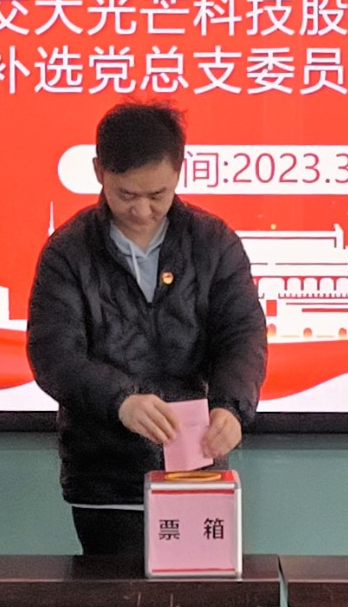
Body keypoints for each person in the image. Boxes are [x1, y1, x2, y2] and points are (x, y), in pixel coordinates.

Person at [27, 101, 268, 557]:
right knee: (120, 600)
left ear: (179, 171)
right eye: (126, 195)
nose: (142, 210)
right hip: (104, 479)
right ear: (99, 172)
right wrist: (121, 400)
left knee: (199, 595)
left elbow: (242, 335)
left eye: (158, 195)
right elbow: (54, 355)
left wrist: (232, 407)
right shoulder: (69, 252)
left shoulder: (212, 242)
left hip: (195, 469)